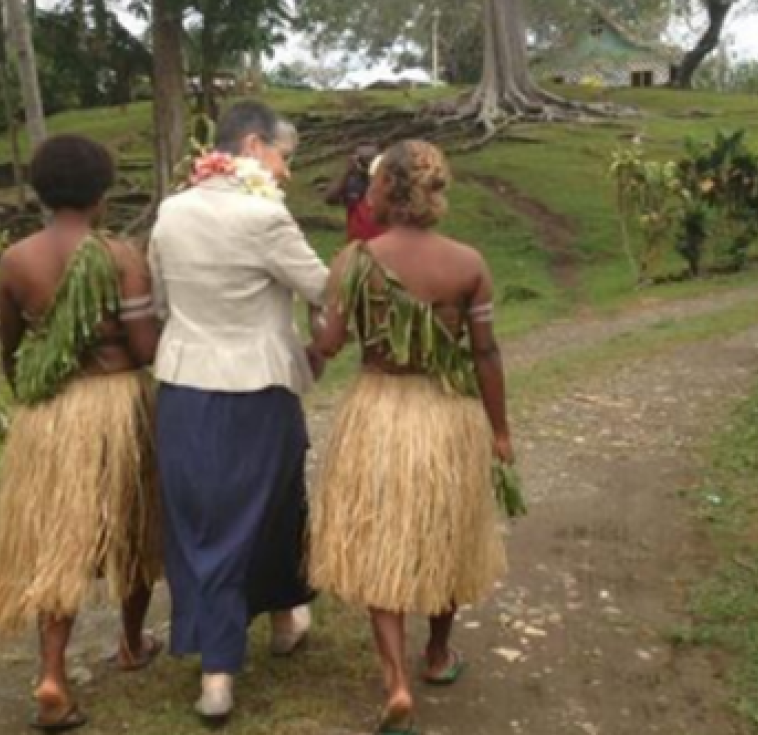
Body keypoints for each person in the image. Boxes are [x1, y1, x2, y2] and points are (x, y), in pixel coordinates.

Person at [308, 140, 511, 735]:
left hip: (377, 412)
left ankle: (395, 680)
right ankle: (438, 654)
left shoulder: (355, 260)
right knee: (446, 532)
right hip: (445, 414)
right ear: (436, 191)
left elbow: (328, 344)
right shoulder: (468, 263)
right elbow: (486, 353)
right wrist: (500, 430)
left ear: (382, 191)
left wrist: (316, 315)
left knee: (382, 540)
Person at [148, 100, 326, 724]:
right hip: (258, 392)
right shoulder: (265, 218)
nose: (287, 172)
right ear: (253, 147)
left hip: (184, 391)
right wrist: (318, 347)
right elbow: (327, 290)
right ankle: (218, 672)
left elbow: (162, 303)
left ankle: (284, 616)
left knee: (205, 521)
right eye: (285, 156)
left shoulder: (169, 212)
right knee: (266, 511)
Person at [0, 135, 163, 733]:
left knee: (58, 541)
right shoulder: (122, 256)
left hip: (48, 414)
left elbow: (8, 348)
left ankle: (53, 675)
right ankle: (133, 642)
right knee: (133, 525)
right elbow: (143, 350)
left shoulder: (15, 260)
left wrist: (28, 400)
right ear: (102, 193)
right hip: (116, 405)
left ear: (41, 190)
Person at [324, 141, 386, 242]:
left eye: (371, 159)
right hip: (357, 245)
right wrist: (347, 171)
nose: (367, 164)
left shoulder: (388, 182)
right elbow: (329, 199)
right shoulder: (350, 182)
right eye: (362, 159)